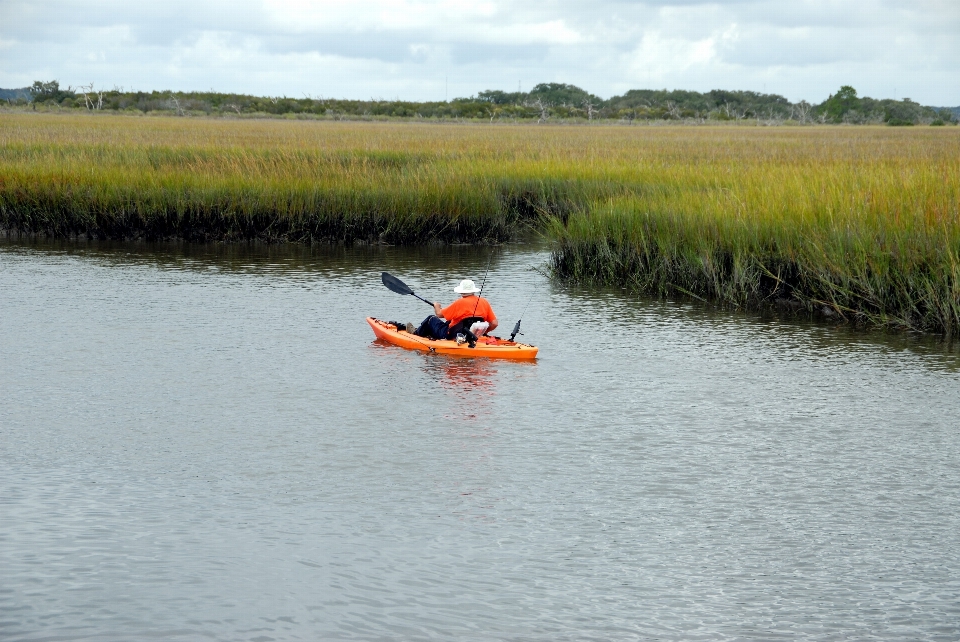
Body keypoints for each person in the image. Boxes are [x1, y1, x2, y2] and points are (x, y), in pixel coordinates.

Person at [414, 279, 498, 341]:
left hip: (451, 335)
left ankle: (415, 334)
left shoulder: (459, 302)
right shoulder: (484, 302)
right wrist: (481, 333)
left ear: (461, 291)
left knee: (431, 319)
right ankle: (424, 332)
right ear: (473, 291)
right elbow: (494, 323)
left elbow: (439, 314)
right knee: (449, 321)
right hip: (471, 336)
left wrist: (436, 306)